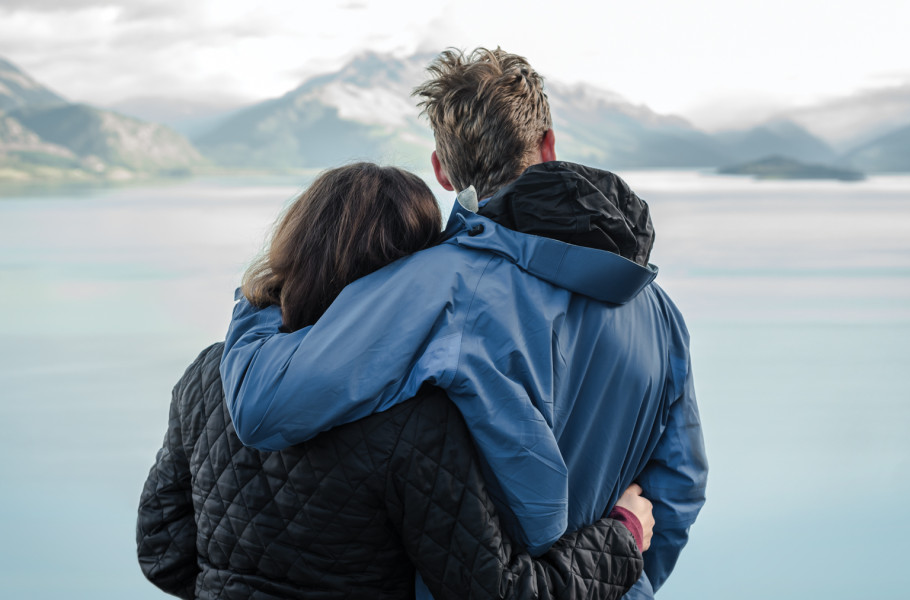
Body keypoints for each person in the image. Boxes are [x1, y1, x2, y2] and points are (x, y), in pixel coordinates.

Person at [221, 48, 707, 600]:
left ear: (442, 171)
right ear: (548, 145)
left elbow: (264, 407)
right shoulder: (658, 308)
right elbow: (679, 486)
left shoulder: (440, 288)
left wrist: (262, 297)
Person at [136, 163, 656, 600]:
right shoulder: (420, 418)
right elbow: (499, 592)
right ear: (408, 269)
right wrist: (622, 537)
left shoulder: (211, 373)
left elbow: (163, 550)